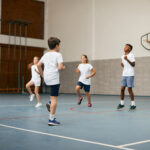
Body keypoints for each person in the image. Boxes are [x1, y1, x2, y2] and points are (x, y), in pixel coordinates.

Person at [37, 37, 65, 126]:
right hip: (53, 78)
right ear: (56, 46)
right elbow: (60, 67)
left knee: (57, 89)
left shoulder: (45, 54)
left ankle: (49, 102)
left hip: (47, 78)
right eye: (59, 45)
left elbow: (38, 65)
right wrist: (63, 67)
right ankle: (51, 120)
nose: (60, 46)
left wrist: (42, 75)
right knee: (54, 99)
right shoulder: (58, 55)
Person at [117, 44, 136, 110]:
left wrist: (127, 59)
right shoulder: (122, 56)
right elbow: (125, 66)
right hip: (124, 74)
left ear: (129, 49)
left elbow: (133, 64)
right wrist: (122, 65)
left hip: (130, 74)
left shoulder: (131, 55)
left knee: (129, 89)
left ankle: (133, 105)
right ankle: (122, 104)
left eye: (126, 46)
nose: (125, 47)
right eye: (124, 46)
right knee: (122, 89)